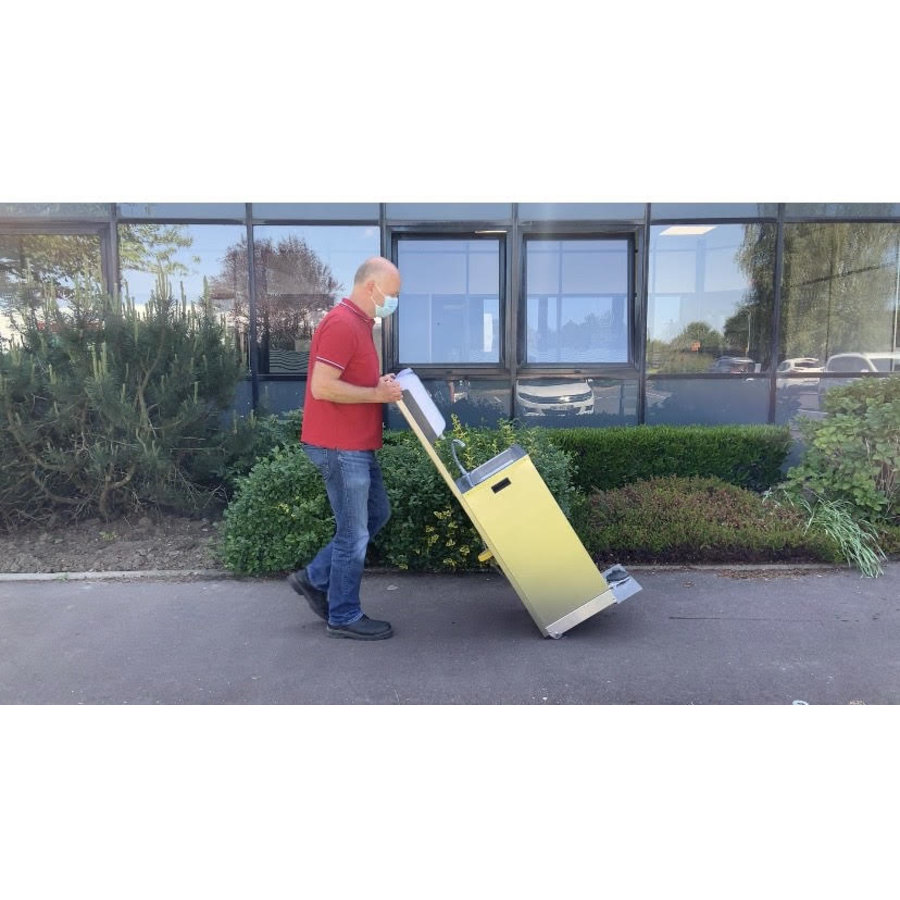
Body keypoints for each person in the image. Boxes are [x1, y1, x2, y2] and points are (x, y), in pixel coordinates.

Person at [287, 256, 404, 640]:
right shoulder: (341, 323)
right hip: (340, 446)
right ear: (371, 287)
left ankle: (315, 577)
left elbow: (348, 379)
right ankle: (344, 615)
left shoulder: (359, 324)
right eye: (393, 293)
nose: (394, 301)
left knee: (376, 514)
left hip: (354, 445)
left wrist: (378, 386)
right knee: (353, 533)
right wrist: (376, 393)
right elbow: (323, 386)